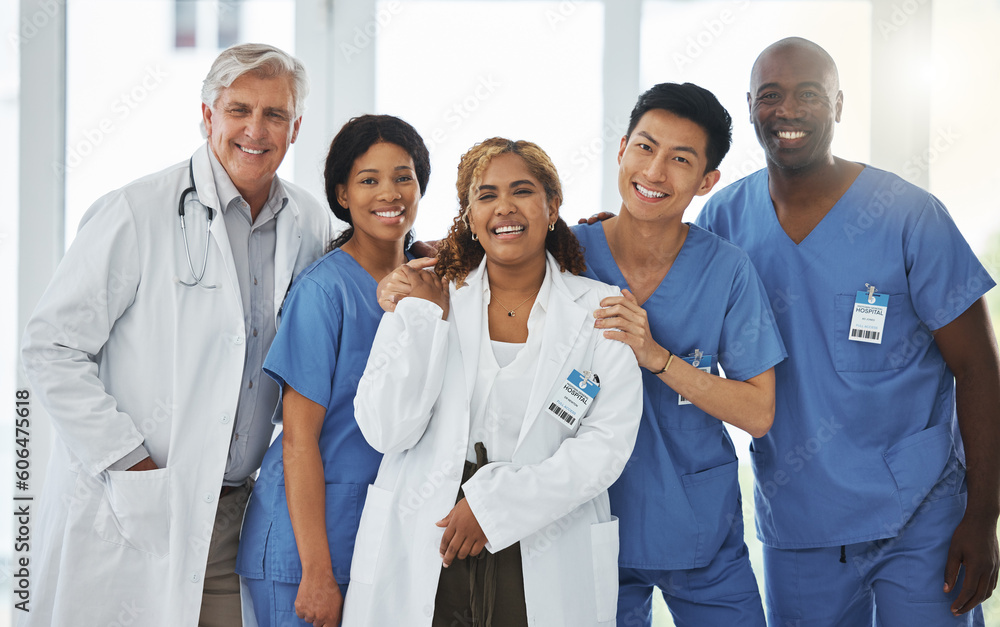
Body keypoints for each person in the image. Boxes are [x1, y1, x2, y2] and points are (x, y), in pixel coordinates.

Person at [19, 43, 333, 627]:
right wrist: (131, 464)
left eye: (275, 115)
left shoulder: (308, 220)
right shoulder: (135, 212)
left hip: (240, 511)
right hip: (137, 506)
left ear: (295, 128)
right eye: (239, 110)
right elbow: (51, 346)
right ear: (208, 115)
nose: (255, 130)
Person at [696, 37, 1000, 625]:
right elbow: (667, 308)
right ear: (751, 107)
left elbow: (978, 368)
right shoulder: (724, 221)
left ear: (838, 106)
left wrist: (983, 513)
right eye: (771, 96)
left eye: (809, 94)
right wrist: (603, 241)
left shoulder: (910, 216)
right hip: (799, 519)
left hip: (923, 517)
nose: (787, 110)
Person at [343, 138, 643, 626]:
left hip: (544, 528)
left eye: (522, 190)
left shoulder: (600, 310)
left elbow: (606, 445)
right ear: (469, 216)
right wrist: (426, 318)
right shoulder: (427, 293)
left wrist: (493, 506)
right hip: (431, 528)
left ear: (552, 207)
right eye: (486, 195)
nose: (504, 207)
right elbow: (385, 430)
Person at [572, 82, 785, 626]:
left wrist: (659, 357)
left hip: (696, 528)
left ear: (707, 181)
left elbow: (757, 413)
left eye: (680, 159)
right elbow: (481, 264)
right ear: (621, 149)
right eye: (645, 147)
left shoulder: (727, 269)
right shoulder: (567, 254)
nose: (654, 171)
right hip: (585, 523)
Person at [236, 114, 430, 627]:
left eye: (403, 177)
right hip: (307, 547)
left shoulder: (430, 280)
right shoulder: (324, 291)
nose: (389, 193)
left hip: (377, 534)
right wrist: (316, 572)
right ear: (342, 195)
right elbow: (300, 440)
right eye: (369, 180)